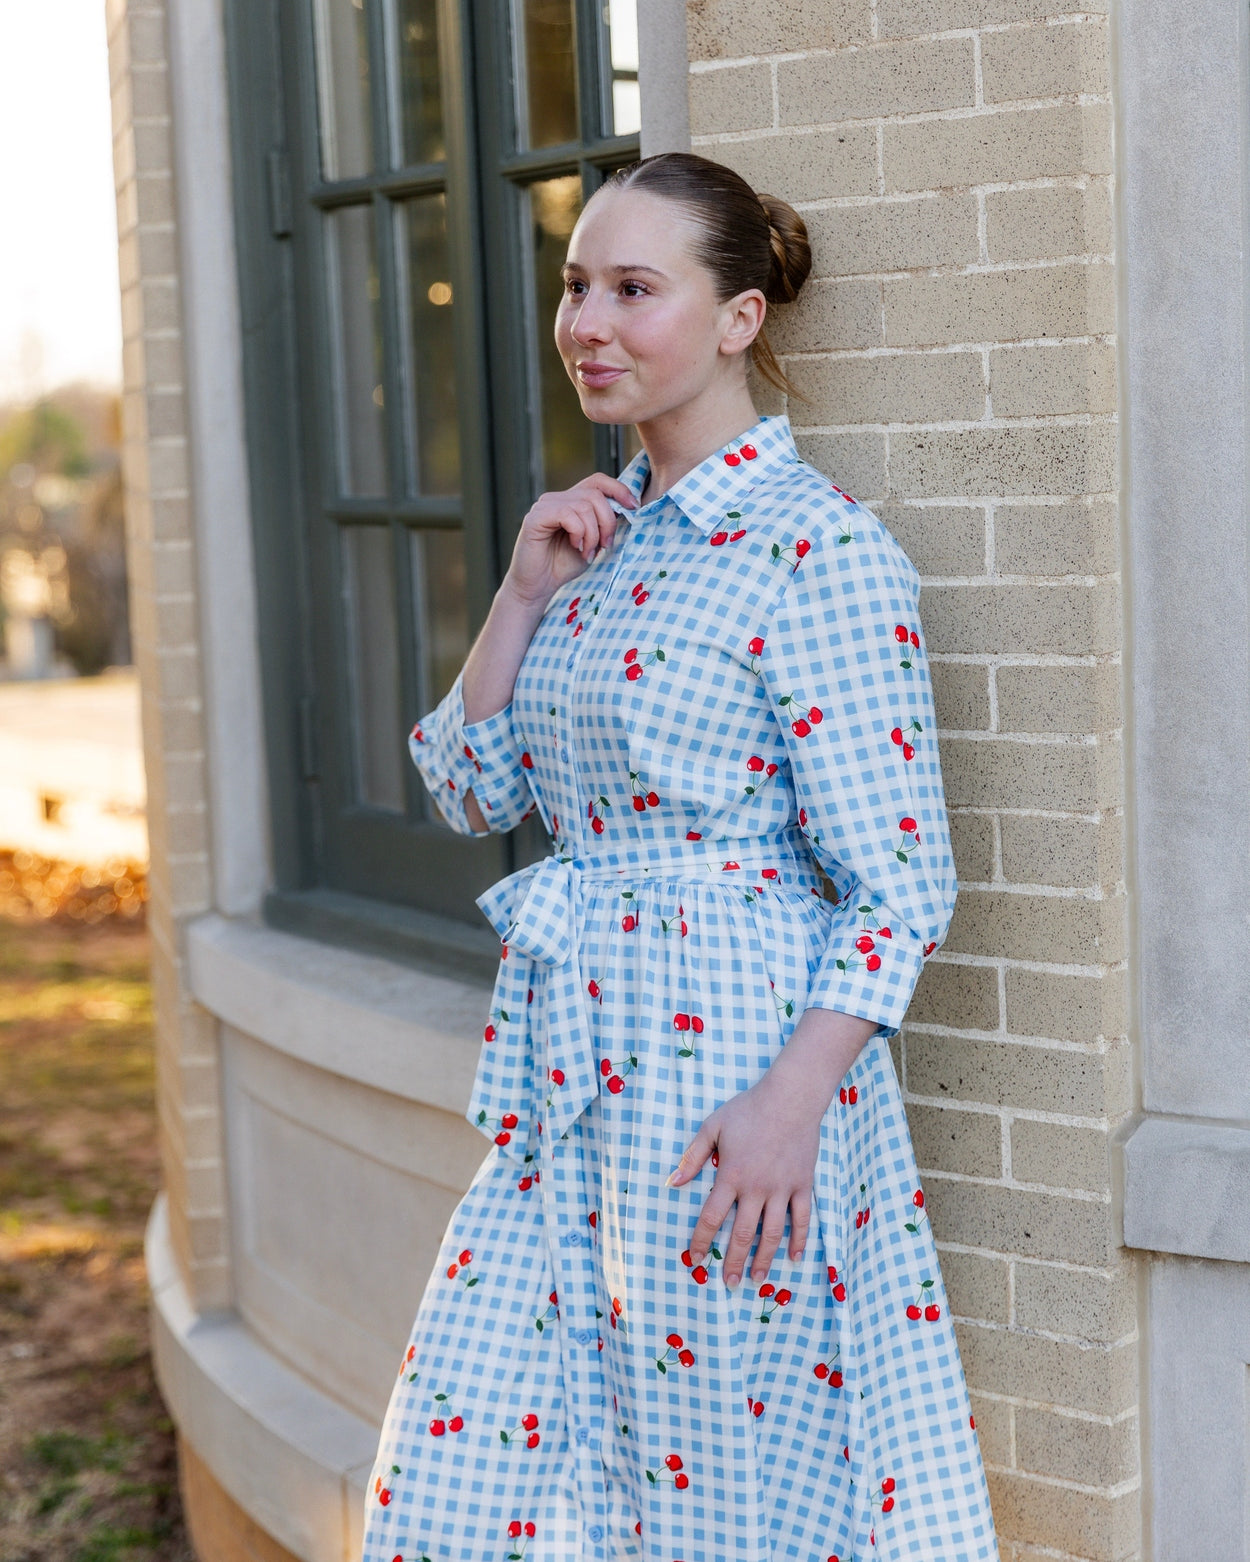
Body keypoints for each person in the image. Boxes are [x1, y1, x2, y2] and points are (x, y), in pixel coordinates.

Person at [360, 151, 999, 1562]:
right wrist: (525, 597)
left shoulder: (814, 553)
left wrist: (790, 1103)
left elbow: (901, 885)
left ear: (737, 319)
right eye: (577, 283)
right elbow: (471, 791)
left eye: (635, 288)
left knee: (726, 1484)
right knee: (479, 1464)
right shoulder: (599, 542)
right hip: (571, 1083)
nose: (587, 319)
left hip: (734, 1087)